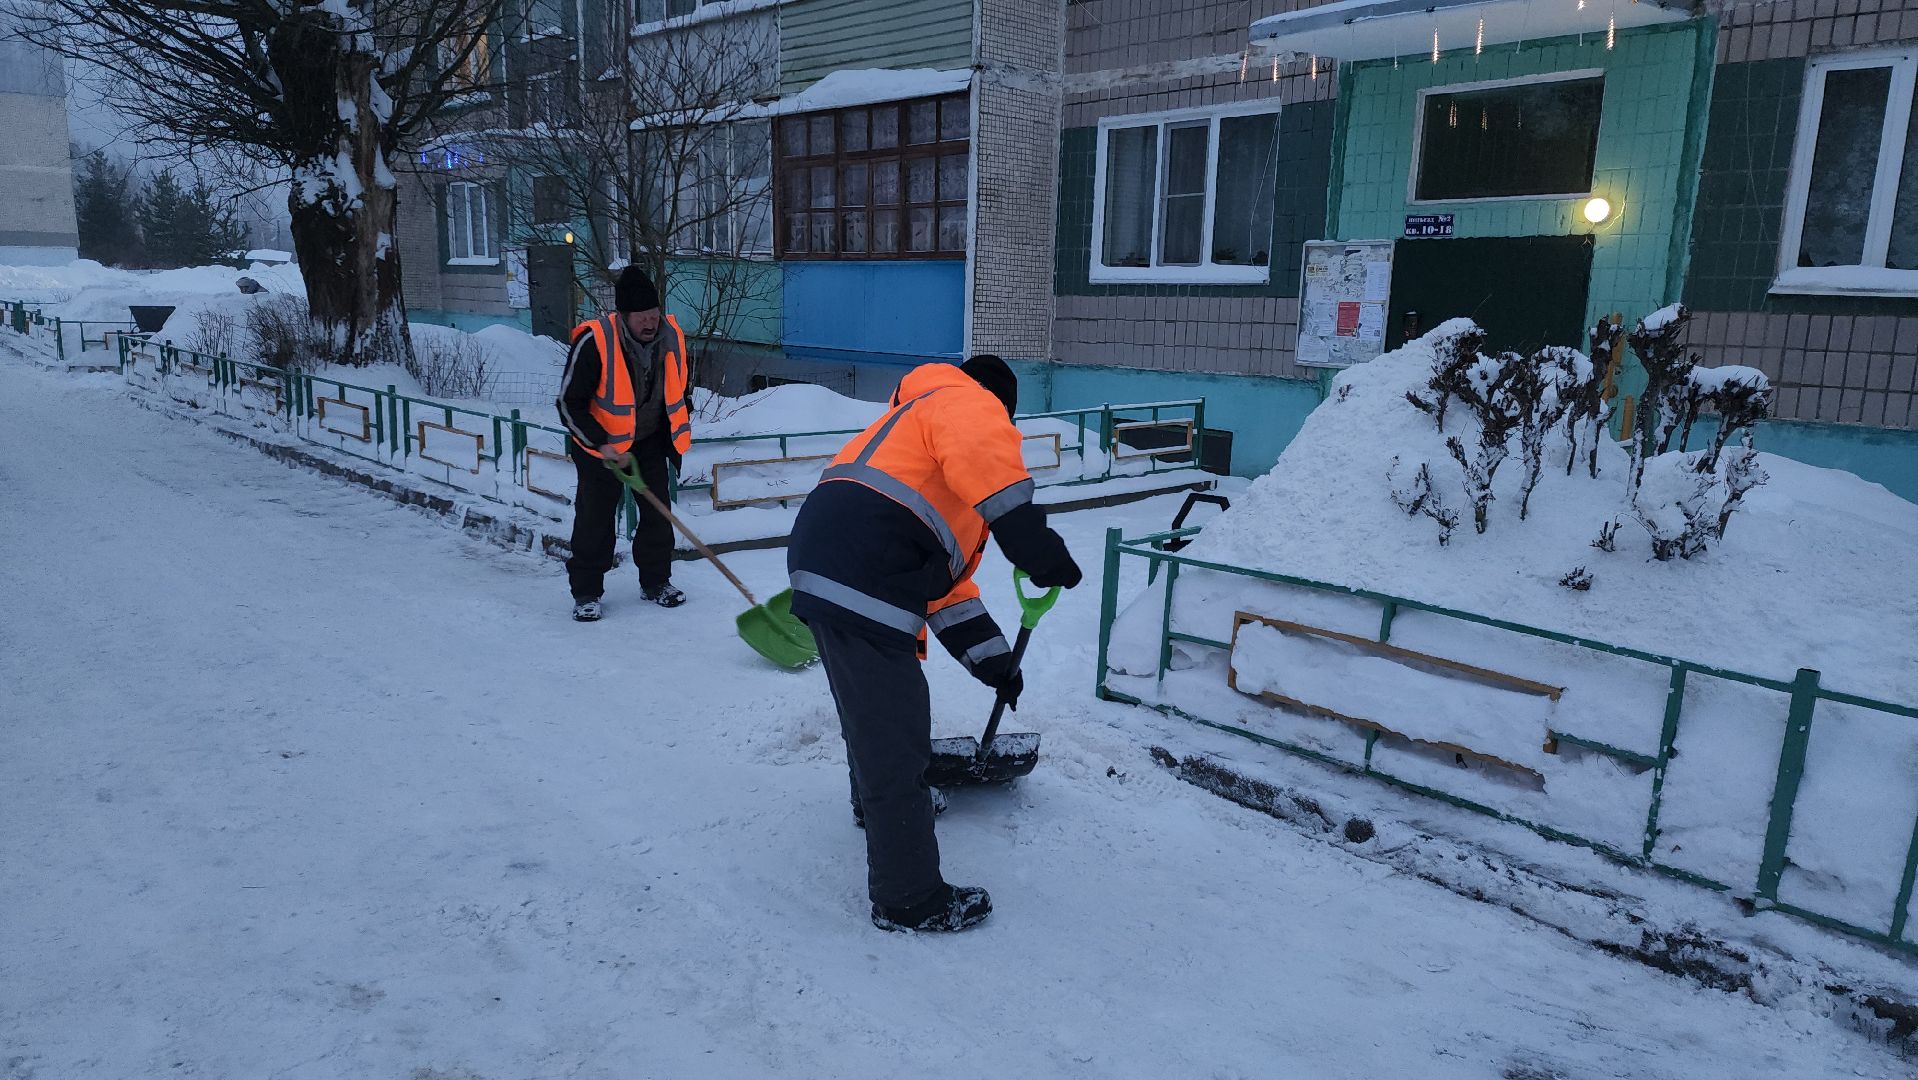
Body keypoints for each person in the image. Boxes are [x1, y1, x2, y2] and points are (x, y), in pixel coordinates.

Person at [786, 354, 1083, 933]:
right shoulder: (963, 400)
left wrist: (995, 661)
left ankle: (872, 807)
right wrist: (1038, 549)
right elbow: (994, 477)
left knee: (871, 715)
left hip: (833, 560)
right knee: (897, 734)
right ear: (1000, 406)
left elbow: (943, 590)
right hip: (861, 567)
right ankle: (908, 897)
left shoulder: (915, 444)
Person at [555, 266, 694, 621]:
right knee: (594, 521)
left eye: (654, 314)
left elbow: (679, 387)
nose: (650, 323)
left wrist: (675, 423)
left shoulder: (672, 337)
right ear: (623, 316)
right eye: (641, 317)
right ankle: (586, 592)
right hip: (601, 448)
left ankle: (656, 582)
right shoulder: (595, 341)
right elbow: (568, 403)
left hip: (648, 441)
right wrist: (600, 444)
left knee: (658, 515)